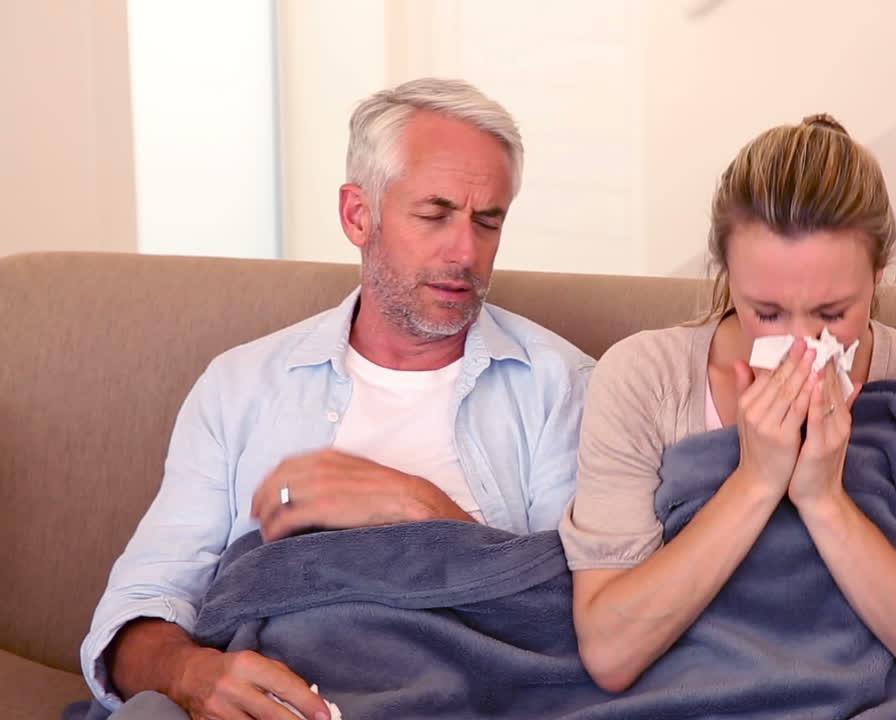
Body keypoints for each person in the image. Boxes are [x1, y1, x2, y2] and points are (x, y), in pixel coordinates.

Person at [80, 77, 594, 719]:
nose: (466, 251)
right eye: (434, 215)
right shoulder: (241, 386)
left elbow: (579, 620)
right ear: (358, 215)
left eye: (487, 221)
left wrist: (415, 505)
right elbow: (140, 605)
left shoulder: (560, 386)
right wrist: (192, 673)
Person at [559, 114, 896, 714]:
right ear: (727, 279)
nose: (805, 344)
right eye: (767, 311)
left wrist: (824, 499)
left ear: (878, 278)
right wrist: (756, 480)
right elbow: (610, 652)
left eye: (833, 313)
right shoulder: (644, 377)